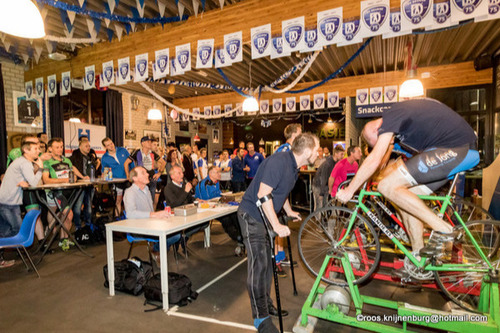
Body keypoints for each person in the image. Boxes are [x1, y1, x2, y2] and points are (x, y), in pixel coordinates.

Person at [336, 98, 479, 257]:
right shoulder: (403, 134)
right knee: (406, 199)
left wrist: (350, 189)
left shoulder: (391, 115)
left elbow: (375, 159)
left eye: (382, 142)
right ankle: (418, 257)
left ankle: (445, 230)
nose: (388, 143)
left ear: (378, 130)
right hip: (450, 151)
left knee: (386, 187)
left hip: (459, 147)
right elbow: (401, 166)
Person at [237, 133, 319, 333]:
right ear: (307, 151)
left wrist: (288, 211)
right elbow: (263, 194)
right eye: (317, 150)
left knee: (266, 266)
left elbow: (278, 192)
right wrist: (276, 224)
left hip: (264, 217)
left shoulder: (293, 167)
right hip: (251, 215)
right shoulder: (279, 161)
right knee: (258, 266)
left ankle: (265, 305)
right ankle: (261, 320)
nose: (319, 153)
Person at [0, 141, 44, 268]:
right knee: (17, 231)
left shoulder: (20, 161)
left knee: (4, 231)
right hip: (8, 203)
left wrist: (26, 182)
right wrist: (40, 168)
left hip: (6, 201)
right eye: (35, 149)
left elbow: (27, 181)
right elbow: (35, 184)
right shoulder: (25, 163)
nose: (38, 151)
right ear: (26, 150)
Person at [123, 166, 181, 260]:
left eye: (146, 172)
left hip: (151, 224)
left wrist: (159, 216)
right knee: (174, 235)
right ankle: (157, 249)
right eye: (143, 173)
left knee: (175, 231)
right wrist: (153, 215)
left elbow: (151, 212)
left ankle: (158, 249)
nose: (147, 174)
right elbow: (130, 214)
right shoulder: (129, 192)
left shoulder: (146, 190)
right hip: (138, 227)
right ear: (134, 178)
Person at [43, 138, 88, 251]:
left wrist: (81, 177)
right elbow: (46, 180)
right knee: (67, 214)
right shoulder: (47, 162)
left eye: (61, 146)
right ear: (50, 148)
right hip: (55, 192)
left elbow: (73, 169)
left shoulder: (66, 160)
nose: (60, 149)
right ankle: (55, 235)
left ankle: (64, 238)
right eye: (57, 147)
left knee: (65, 215)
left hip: (68, 192)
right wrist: (63, 181)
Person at [195, 166, 242, 248]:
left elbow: (219, 196)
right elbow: (206, 201)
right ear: (211, 173)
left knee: (234, 215)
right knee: (226, 219)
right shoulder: (203, 185)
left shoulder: (216, 183)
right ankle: (237, 238)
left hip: (218, 207)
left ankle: (241, 234)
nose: (220, 174)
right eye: (217, 172)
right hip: (207, 209)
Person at [70, 140, 99, 229]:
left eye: (89, 146)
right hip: (79, 185)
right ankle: (77, 226)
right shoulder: (74, 157)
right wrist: (82, 177)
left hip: (90, 185)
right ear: (80, 147)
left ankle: (88, 225)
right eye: (86, 146)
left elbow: (94, 168)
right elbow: (72, 167)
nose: (88, 148)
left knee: (88, 206)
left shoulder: (91, 157)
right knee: (78, 206)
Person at [124, 136, 163, 201]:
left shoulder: (152, 153)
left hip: (152, 179)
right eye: (148, 142)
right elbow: (126, 163)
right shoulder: (137, 152)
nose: (150, 143)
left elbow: (163, 162)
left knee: (151, 200)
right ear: (143, 143)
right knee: (141, 200)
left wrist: (159, 173)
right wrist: (128, 176)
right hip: (141, 180)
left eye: (151, 142)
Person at [101, 137, 131, 217]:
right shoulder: (104, 158)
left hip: (128, 180)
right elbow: (104, 172)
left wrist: (132, 174)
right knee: (118, 201)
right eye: (108, 145)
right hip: (117, 183)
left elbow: (131, 163)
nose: (111, 146)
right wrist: (104, 178)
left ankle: (130, 218)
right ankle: (117, 219)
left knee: (129, 200)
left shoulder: (123, 150)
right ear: (105, 147)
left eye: (111, 143)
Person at [312, 145, 345, 211]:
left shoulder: (336, 163)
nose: (343, 156)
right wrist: (321, 193)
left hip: (326, 185)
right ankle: (318, 221)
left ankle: (323, 220)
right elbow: (323, 178)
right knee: (319, 206)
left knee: (325, 205)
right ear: (335, 154)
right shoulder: (328, 163)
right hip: (318, 185)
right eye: (341, 154)